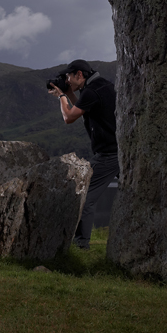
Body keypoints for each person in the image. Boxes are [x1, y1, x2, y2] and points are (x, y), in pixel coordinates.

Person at [49, 59, 119, 250]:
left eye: (69, 76)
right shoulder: (100, 85)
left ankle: (81, 246)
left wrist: (61, 95)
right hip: (120, 150)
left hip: (108, 154)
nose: (67, 80)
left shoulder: (92, 90)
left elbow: (69, 117)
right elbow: (83, 107)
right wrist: (68, 92)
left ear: (80, 74)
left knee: (85, 197)